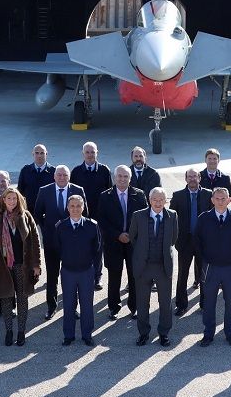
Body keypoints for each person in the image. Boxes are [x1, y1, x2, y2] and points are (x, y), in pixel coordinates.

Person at [0, 188, 41, 347]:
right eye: (8, 198)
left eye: (14, 199)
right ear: (3, 200)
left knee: (22, 300)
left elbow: (35, 242)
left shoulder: (26, 217)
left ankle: (21, 332)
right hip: (3, 267)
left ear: (19, 200)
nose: (11, 202)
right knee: (6, 300)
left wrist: (36, 265)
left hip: (23, 266)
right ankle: (9, 331)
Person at [194, 187, 231, 347]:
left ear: (229, 199)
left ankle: (230, 334)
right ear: (212, 200)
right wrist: (206, 259)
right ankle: (208, 334)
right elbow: (197, 241)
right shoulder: (204, 218)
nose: (220, 201)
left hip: (230, 267)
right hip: (211, 268)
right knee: (209, 302)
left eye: (223, 198)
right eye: (217, 198)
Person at [33, 165, 87, 320]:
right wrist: (46, 230)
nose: (62, 177)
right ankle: (51, 306)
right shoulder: (45, 190)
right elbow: (37, 213)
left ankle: (73, 307)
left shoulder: (78, 190)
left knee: (72, 275)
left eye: (65, 175)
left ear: (69, 177)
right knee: (52, 275)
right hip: (51, 241)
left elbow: (85, 213)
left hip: (72, 242)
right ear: (54, 176)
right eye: (59, 175)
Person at [97, 165, 148, 319]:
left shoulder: (139, 195)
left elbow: (145, 219)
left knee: (135, 276)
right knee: (114, 276)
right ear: (114, 177)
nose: (122, 179)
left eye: (125, 176)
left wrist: (131, 235)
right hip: (114, 243)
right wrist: (118, 235)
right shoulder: (105, 196)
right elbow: (102, 221)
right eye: (119, 176)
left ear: (130, 178)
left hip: (134, 243)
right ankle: (113, 307)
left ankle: (135, 307)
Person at [129, 187, 178, 347]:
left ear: (166, 201)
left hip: (163, 266)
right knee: (142, 303)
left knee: (165, 303)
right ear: (150, 200)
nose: (158, 203)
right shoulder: (138, 216)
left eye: (161, 200)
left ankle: (164, 333)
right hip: (144, 266)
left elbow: (173, 238)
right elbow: (133, 238)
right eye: (155, 199)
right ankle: (143, 334)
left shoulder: (172, 216)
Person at [54, 195, 102, 347]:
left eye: (78, 206)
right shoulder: (60, 226)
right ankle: (69, 335)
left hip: (86, 271)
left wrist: (96, 273)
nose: (75, 209)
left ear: (83, 208)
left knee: (87, 305)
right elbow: (56, 248)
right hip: (68, 271)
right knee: (68, 305)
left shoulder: (92, 225)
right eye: (72, 206)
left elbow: (97, 249)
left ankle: (87, 335)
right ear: (67, 208)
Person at [71, 141, 112, 289]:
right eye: (87, 152)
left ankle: (97, 277)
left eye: (92, 152)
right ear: (83, 154)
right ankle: (82, 275)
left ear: (97, 153)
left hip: (99, 217)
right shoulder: (76, 172)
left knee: (98, 247)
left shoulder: (104, 170)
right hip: (80, 217)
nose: (90, 155)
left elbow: (109, 193)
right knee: (81, 247)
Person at [170, 168, 211, 316]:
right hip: (184, 241)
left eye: (195, 176)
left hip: (203, 242)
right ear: (186, 178)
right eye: (190, 177)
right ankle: (181, 304)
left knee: (204, 275)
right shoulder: (178, 196)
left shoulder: (208, 194)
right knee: (182, 274)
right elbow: (171, 219)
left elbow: (213, 217)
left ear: (199, 178)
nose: (192, 179)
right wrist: (174, 239)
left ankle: (204, 304)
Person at [18, 144, 55, 211]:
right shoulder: (25, 170)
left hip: (48, 211)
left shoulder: (54, 172)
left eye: (42, 153)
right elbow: (20, 191)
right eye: (37, 153)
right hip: (29, 211)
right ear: (33, 154)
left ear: (46, 154)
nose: (39, 156)